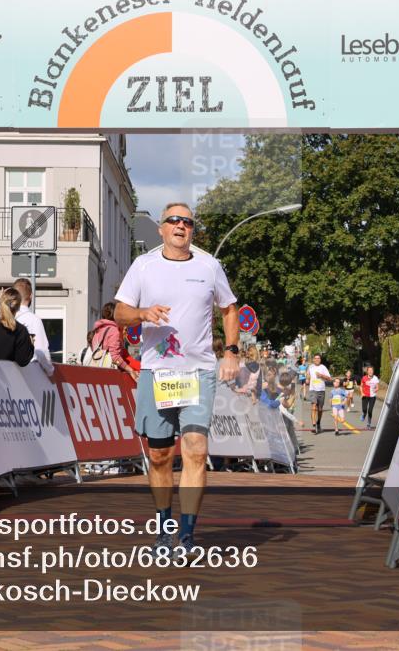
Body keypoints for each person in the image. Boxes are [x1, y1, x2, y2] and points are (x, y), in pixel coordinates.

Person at [113, 202, 239, 554]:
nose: (181, 226)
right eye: (174, 220)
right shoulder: (144, 266)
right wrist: (141, 313)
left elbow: (230, 310)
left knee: (196, 451)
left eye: (187, 221)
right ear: (162, 229)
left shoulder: (209, 266)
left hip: (198, 372)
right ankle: (164, 530)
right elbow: (120, 312)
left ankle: (187, 535)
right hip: (157, 372)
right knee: (159, 457)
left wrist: (231, 351)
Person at [12, 278, 55, 377]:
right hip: (28, 374)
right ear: (31, 296)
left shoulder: (2, 317)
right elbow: (41, 351)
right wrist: (50, 372)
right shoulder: (33, 320)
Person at [0, 288, 34, 365]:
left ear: (2, 302)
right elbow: (22, 361)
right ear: (18, 307)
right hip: (7, 375)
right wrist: (31, 346)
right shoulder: (21, 330)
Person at [90, 301, 140, 381]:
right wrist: (130, 370)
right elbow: (115, 357)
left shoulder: (98, 330)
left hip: (97, 371)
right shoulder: (114, 330)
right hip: (109, 374)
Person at [306, 353, 332, 434]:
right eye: (315, 358)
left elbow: (329, 378)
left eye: (318, 358)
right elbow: (307, 375)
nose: (317, 359)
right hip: (313, 389)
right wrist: (307, 379)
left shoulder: (323, 367)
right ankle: (313, 422)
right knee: (314, 406)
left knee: (320, 409)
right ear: (313, 359)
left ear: (320, 360)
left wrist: (321, 375)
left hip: (321, 390)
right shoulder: (310, 367)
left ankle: (318, 422)